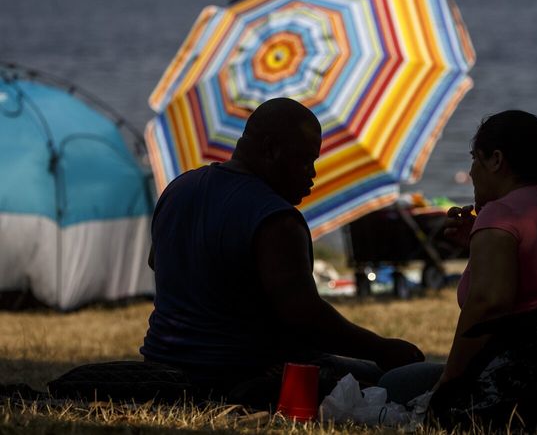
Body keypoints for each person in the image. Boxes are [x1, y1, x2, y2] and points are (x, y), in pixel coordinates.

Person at [140, 98, 424, 407]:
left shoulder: (179, 189)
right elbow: (306, 318)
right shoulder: (275, 219)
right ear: (271, 150)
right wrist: (383, 349)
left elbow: (158, 261)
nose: (312, 174)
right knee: (409, 380)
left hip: (161, 365)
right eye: (304, 161)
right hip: (239, 377)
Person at [379, 110, 537, 408]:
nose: (470, 172)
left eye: (474, 158)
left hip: (535, 386)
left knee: (393, 383)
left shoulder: (501, 213)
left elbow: (488, 305)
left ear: (496, 160)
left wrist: (447, 385)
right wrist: (478, 243)